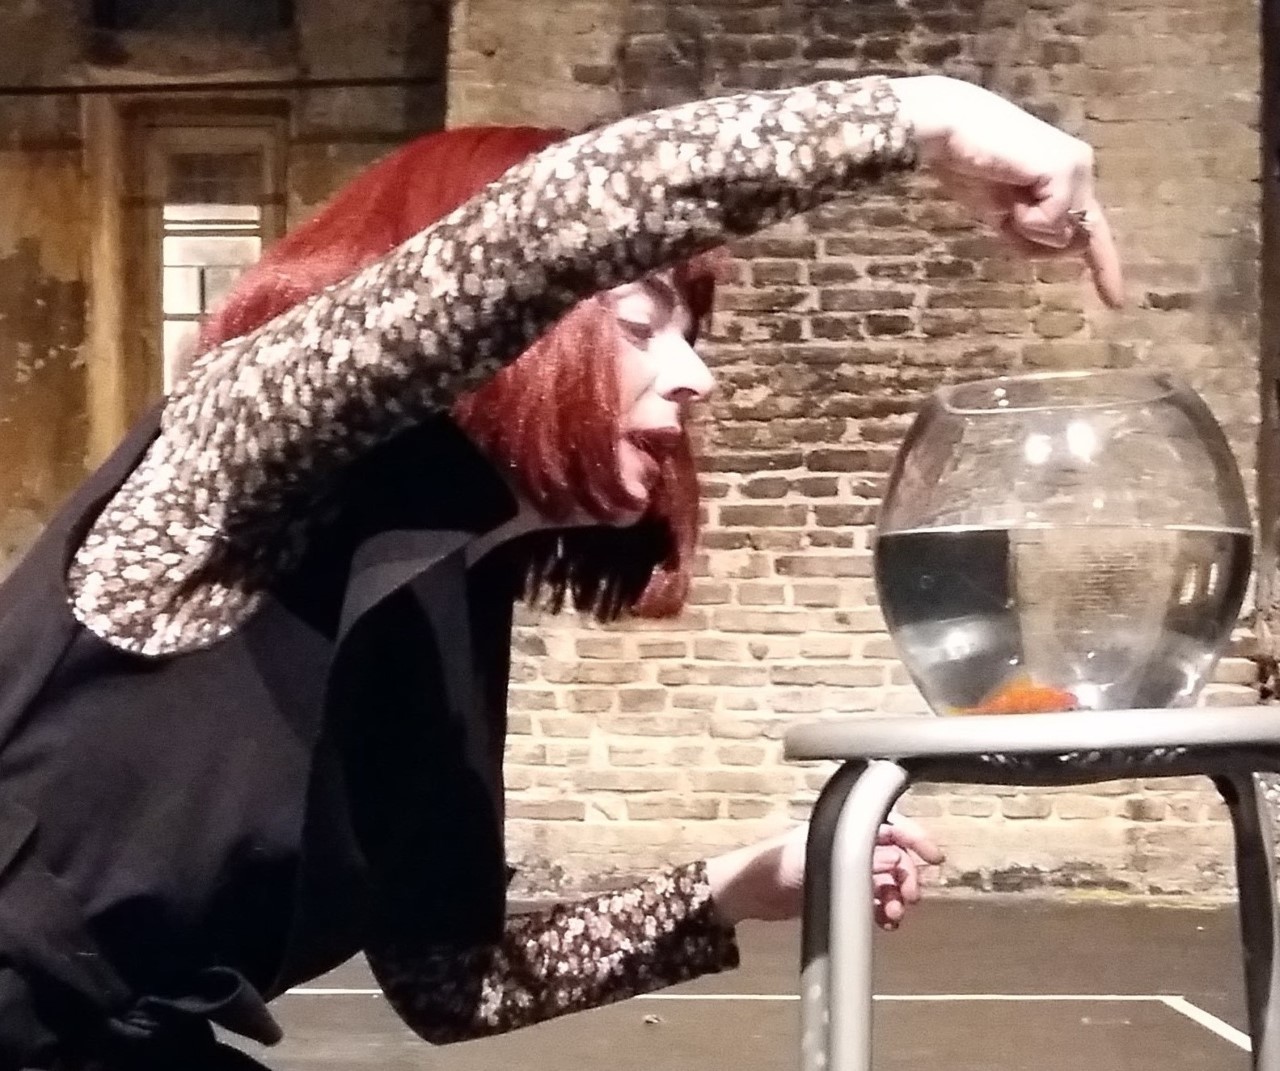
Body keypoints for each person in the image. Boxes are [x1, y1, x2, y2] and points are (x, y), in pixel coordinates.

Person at [0, 73, 1120, 1069]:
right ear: (504, 333)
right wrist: (925, 116)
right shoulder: (234, 467)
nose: (696, 379)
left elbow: (452, 981)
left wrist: (742, 884)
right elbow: (547, 227)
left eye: (691, 338)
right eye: (640, 325)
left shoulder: (444, 604)